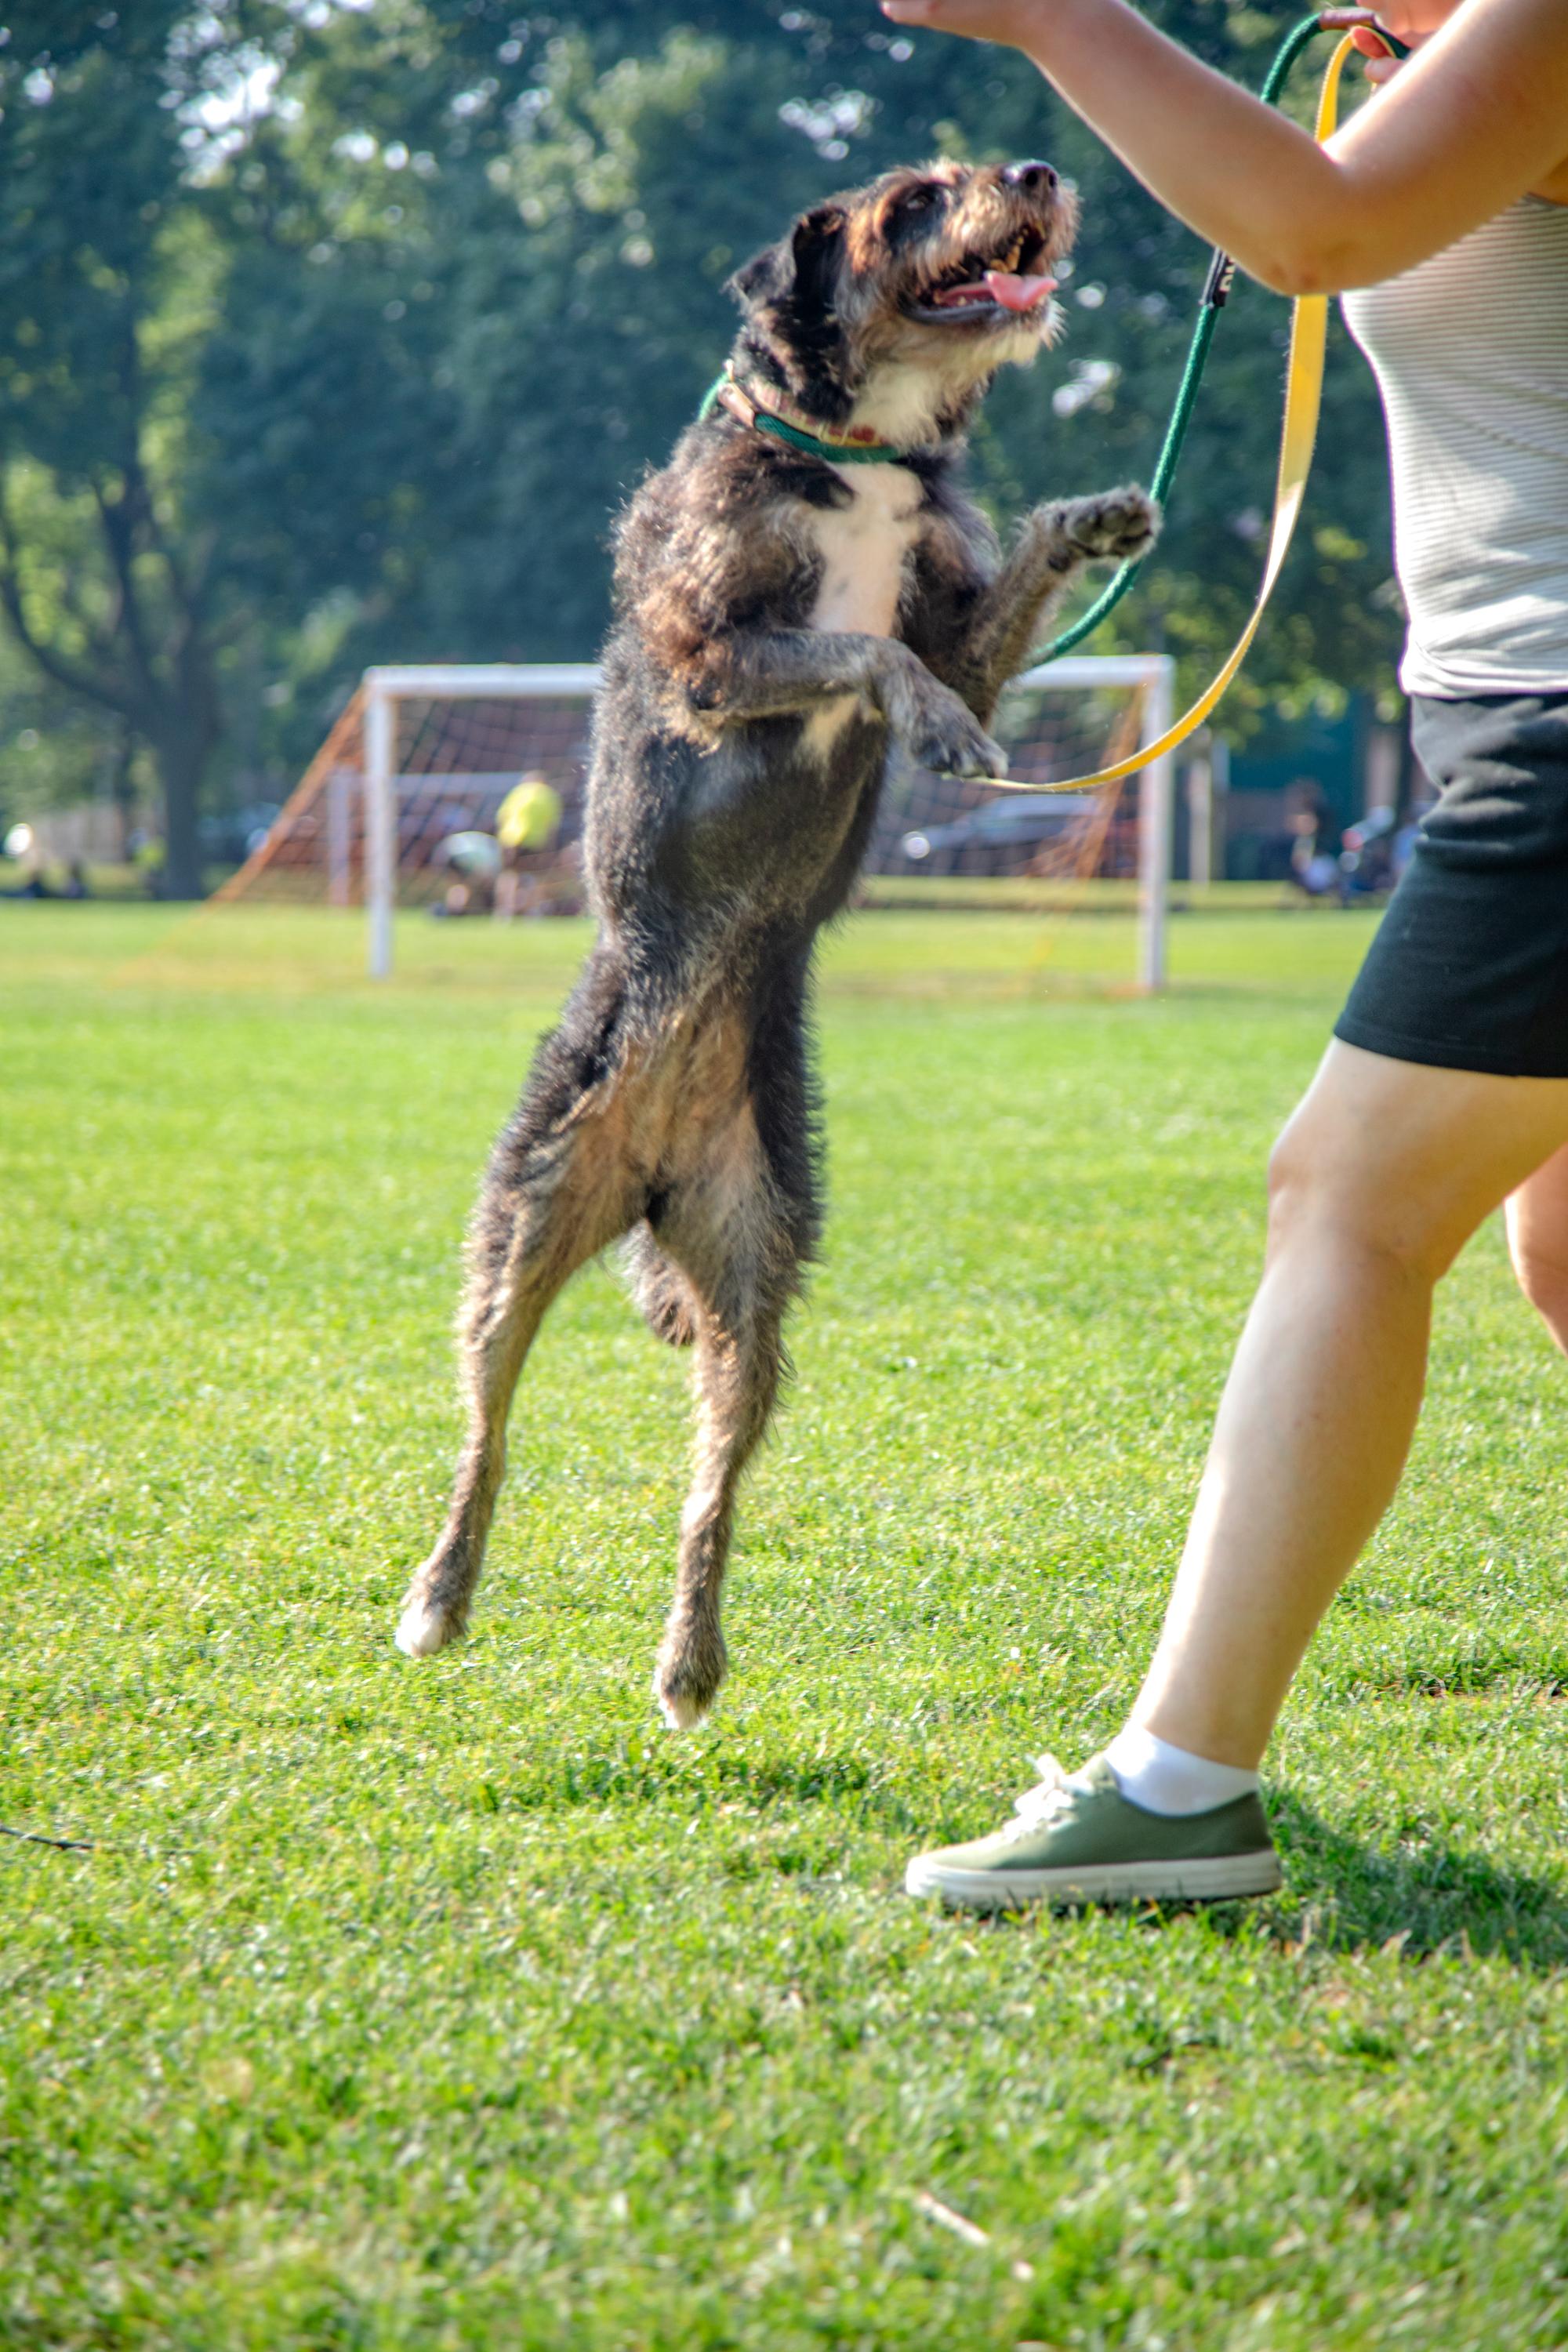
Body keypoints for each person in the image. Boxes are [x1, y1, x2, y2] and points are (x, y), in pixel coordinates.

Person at [879, 0, 1568, 1907]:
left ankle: (1183, 1785)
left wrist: (1048, 17)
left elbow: (1312, 229)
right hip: (1500, 712)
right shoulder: (1459, 50)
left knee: (1343, 1200)